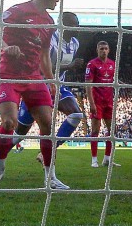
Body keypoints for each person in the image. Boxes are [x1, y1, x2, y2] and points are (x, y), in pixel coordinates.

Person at [0, 0, 69, 190]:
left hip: (34, 78)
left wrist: (50, 79)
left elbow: (43, 54)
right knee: (9, 123)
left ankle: (50, 177)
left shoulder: (49, 23)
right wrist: (5, 47)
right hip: (10, 76)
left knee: (48, 125)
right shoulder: (18, 11)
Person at [10, 11, 84, 164]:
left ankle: (50, 149)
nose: (77, 27)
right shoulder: (50, 41)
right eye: (73, 24)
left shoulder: (75, 43)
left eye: (78, 24)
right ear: (63, 24)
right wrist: (70, 66)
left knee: (76, 114)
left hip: (58, 86)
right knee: (19, 133)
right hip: (39, 86)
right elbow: (42, 66)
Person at [85, 40, 118, 168]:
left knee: (112, 130)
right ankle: (94, 159)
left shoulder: (112, 64)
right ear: (97, 50)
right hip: (97, 101)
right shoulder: (92, 64)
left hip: (109, 101)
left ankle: (107, 159)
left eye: (105, 48)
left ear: (109, 50)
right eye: (101, 49)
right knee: (95, 130)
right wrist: (91, 103)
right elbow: (88, 84)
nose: (103, 51)